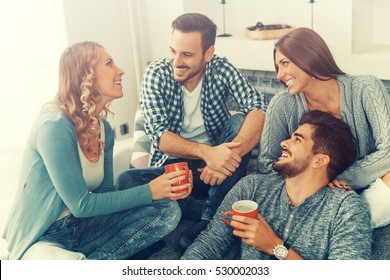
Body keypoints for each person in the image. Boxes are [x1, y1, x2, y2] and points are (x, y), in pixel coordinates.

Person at [2, 41, 192, 260]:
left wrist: (156, 194)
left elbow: (105, 194)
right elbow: (81, 205)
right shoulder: (54, 126)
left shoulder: (104, 130)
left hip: (83, 227)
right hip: (43, 236)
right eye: (109, 63)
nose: (120, 70)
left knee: (166, 211)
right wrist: (149, 191)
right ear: (85, 76)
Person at [119, 12, 266, 249]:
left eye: (187, 54)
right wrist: (209, 154)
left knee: (239, 122)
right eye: (173, 51)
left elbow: (258, 106)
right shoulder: (156, 73)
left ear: (208, 53)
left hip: (214, 172)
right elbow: (160, 136)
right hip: (174, 170)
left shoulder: (221, 68)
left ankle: (208, 219)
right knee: (126, 180)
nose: (176, 61)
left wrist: (226, 158)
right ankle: (212, 208)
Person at [257, 27, 390, 259]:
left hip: (367, 192)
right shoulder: (282, 104)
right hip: (313, 199)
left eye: (285, 63)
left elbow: (388, 149)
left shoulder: (365, 88)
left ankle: (344, 232)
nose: (279, 74)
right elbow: (267, 165)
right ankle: (341, 232)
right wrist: (317, 187)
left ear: (308, 57)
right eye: (278, 66)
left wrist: (343, 179)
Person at [182, 110, 372, 260]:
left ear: (320, 161)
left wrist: (276, 247)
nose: (283, 143)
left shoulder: (346, 210)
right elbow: (208, 246)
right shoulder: (252, 187)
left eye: (297, 139)